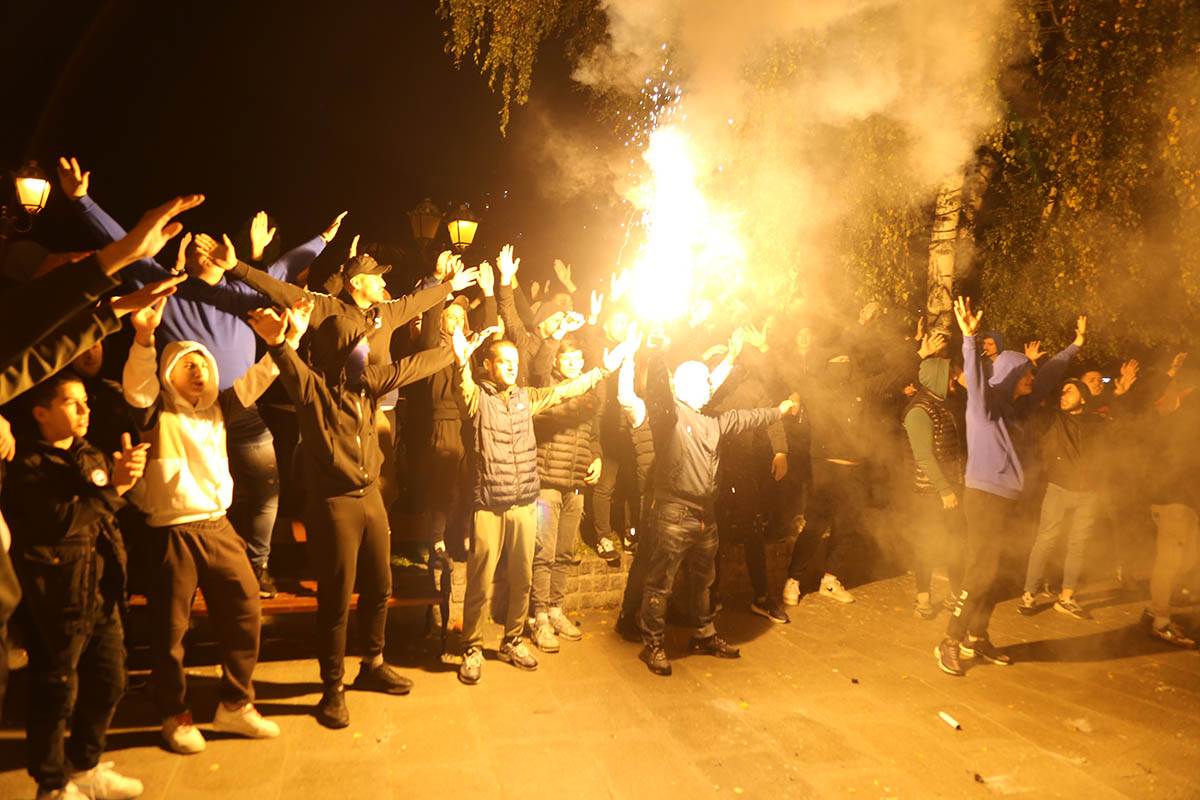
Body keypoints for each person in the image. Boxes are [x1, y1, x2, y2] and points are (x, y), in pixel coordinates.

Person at [62, 157, 339, 598]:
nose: (201, 248)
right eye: (194, 245)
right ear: (185, 258)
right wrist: (82, 200)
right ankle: (180, 576)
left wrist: (322, 240)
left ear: (225, 256)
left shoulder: (245, 293)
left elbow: (286, 266)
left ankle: (255, 566)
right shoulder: (168, 288)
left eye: (209, 244)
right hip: (184, 418)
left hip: (240, 407)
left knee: (265, 488)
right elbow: (122, 244)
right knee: (181, 498)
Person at [259, 305, 458, 728]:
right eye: (358, 345)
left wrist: (453, 351)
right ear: (339, 352)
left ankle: (373, 664)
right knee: (335, 599)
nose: (366, 351)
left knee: (380, 585)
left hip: (371, 499)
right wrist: (277, 342)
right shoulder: (314, 392)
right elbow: (290, 368)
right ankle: (332, 689)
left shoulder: (367, 384)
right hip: (335, 506)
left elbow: (409, 368)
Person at [122, 295, 287, 753]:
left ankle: (235, 703)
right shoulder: (156, 412)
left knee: (245, 609)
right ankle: (174, 714)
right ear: (168, 374)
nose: (199, 371)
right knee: (171, 631)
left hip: (218, 526)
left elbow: (255, 380)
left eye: (203, 364)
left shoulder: (219, 409)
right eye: (187, 365)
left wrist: (282, 344)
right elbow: (138, 388)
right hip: (173, 530)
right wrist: (144, 339)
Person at [454, 331, 633, 685]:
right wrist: (461, 364)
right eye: (503, 362)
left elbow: (564, 391)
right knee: (480, 581)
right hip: (489, 505)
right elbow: (464, 392)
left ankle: (513, 640)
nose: (511, 367)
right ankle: (472, 647)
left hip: (524, 502)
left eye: (514, 363)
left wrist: (601, 371)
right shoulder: (479, 399)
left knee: (522, 578)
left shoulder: (526, 398)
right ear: (488, 365)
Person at [3, 373, 149, 800]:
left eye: (86, 401)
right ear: (41, 413)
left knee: (110, 680)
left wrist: (122, 479)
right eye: (72, 403)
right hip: (58, 597)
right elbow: (62, 521)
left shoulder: (89, 453)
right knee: (56, 691)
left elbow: (105, 513)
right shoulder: (27, 465)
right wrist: (117, 487)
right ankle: (51, 784)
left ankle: (85, 765)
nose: (85, 410)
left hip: (101, 592)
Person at [620, 340, 799, 677]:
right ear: (687, 385)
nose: (709, 387)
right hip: (674, 512)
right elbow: (658, 388)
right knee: (660, 583)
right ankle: (653, 644)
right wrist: (655, 349)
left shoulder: (713, 421)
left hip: (705, 515)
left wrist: (779, 410)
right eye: (704, 382)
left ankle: (703, 635)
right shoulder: (670, 416)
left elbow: (747, 418)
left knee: (704, 581)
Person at [935, 299, 1084, 677]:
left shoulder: (1020, 406)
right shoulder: (984, 407)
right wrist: (969, 338)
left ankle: (977, 637)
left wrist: (1075, 346)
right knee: (980, 572)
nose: (1032, 378)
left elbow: (1048, 375)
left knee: (997, 573)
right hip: (983, 497)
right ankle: (950, 639)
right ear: (1012, 375)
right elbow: (976, 376)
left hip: (1007, 499)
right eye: (1026, 373)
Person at [528, 336, 603, 652]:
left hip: (575, 484)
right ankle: (539, 616)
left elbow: (594, 435)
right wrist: (555, 336)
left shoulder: (589, 394)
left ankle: (556, 610)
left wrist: (596, 457)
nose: (573, 364)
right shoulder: (547, 389)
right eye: (567, 358)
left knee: (564, 553)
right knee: (543, 553)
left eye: (578, 359)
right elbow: (538, 365)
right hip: (547, 482)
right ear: (557, 361)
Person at [1017, 378, 1107, 620]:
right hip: (1058, 489)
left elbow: (1110, 450)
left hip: (1089, 494)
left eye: (1070, 391)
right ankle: (1029, 594)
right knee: (1046, 540)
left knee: (1079, 545)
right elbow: (1035, 399)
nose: (1063, 395)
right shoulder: (1052, 419)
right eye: (1062, 391)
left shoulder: (1097, 422)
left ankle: (1066, 597)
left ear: (1084, 398)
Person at [902, 352, 967, 619]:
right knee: (927, 544)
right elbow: (924, 456)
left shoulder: (942, 405)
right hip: (930, 492)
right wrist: (944, 489)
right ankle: (923, 599)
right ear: (937, 377)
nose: (954, 379)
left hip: (949, 489)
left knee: (956, 544)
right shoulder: (918, 411)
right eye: (950, 374)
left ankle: (956, 594)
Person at [1142, 365, 1198, 646]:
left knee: (1187, 560)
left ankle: (1156, 608)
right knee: (1170, 563)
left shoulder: (1179, 422)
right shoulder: (1166, 424)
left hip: (1183, 504)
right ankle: (1161, 621)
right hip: (1172, 504)